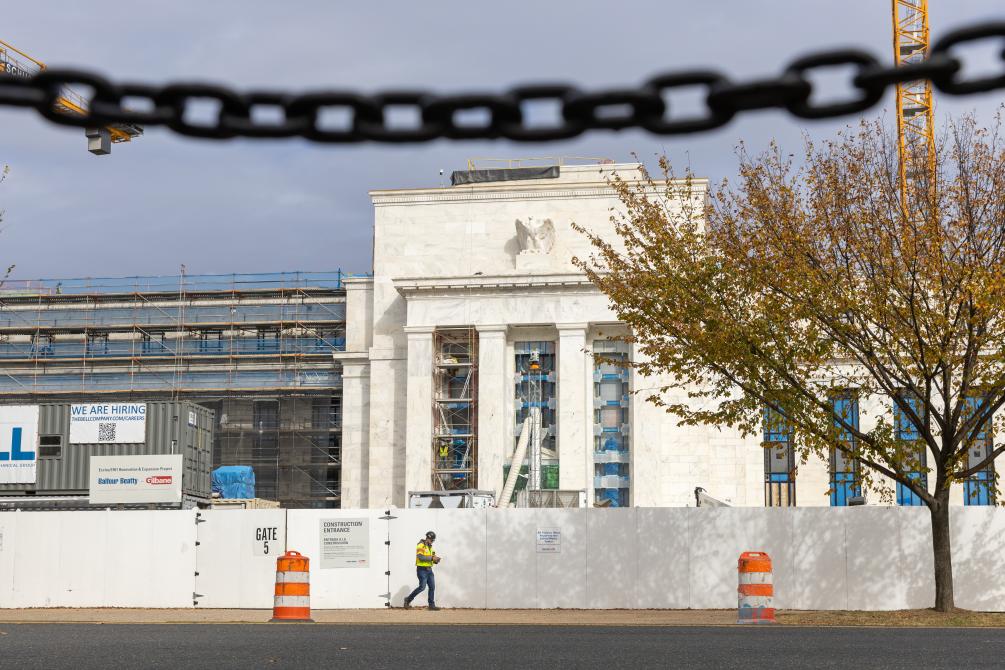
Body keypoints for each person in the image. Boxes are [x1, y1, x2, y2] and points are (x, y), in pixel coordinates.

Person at [404, 530, 440, 610]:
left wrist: (436, 560)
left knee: (432, 587)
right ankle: (408, 600)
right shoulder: (420, 545)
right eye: (431, 540)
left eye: (433, 540)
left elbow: (432, 557)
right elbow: (420, 557)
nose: (432, 542)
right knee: (422, 587)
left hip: (429, 570)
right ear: (427, 538)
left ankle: (431, 605)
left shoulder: (430, 547)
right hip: (422, 570)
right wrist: (432, 558)